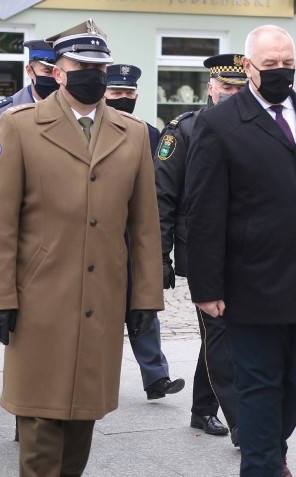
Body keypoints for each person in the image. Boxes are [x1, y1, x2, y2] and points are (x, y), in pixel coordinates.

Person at [0, 19, 164, 476]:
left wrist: (145, 299)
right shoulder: (19, 126)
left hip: (101, 301)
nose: (93, 74)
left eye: (100, 66)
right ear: (57, 72)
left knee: (83, 421)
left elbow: (144, 225)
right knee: (41, 426)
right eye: (81, 65)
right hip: (40, 298)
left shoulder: (133, 133)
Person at [185, 25, 296, 477]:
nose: (280, 72)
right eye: (270, 65)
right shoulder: (218, 124)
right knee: (259, 383)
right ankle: (263, 463)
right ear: (248, 67)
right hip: (252, 283)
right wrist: (205, 287)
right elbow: (203, 214)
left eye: (287, 64)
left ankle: (266, 446)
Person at [154, 52, 247, 443]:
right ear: (210, 86)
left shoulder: (253, 127)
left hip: (244, 250)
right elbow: (162, 197)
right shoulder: (184, 130)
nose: (232, 94)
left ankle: (201, 409)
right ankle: (244, 422)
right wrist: (160, 255)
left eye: (240, 88)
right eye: (226, 87)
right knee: (221, 331)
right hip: (201, 250)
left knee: (220, 334)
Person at [104, 63, 185, 402]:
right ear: (104, 93)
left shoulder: (150, 134)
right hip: (102, 234)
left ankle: (156, 378)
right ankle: (99, 376)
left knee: (144, 304)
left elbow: (159, 185)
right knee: (103, 306)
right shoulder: (92, 130)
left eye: (129, 93)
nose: (123, 98)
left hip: (136, 233)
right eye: (116, 93)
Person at [0, 39, 60, 287]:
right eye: (46, 71)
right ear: (30, 71)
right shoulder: (2, 115)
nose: (54, 77)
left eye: (58, 71)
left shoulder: (75, 114)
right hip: (19, 243)